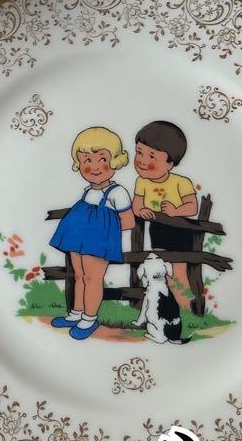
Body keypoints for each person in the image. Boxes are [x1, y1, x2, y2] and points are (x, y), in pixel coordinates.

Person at [48, 126, 135, 340]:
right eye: (87, 160)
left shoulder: (117, 192)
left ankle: (89, 318)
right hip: (78, 240)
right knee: (79, 276)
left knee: (92, 278)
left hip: (97, 243)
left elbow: (128, 221)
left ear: (115, 161)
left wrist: (102, 233)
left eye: (102, 159)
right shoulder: (88, 191)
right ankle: (76, 313)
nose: (94, 167)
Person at [132, 120, 198, 303]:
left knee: (178, 271)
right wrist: (141, 210)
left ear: (170, 163)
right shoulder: (141, 182)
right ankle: (167, 306)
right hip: (158, 230)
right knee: (161, 268)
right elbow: (136, 205)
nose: (142, 161)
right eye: (139, 153)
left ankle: (185, 306)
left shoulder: (181, 182)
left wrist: (175, 211)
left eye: (152, 157)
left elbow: (193, 207)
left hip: (179, 230)